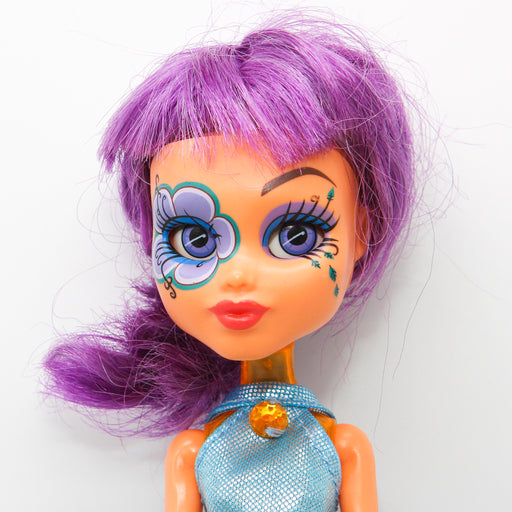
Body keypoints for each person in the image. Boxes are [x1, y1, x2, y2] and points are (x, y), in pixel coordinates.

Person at [45, 15, 417, 512]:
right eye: (194, 238)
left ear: (361, 233)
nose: (238, 275)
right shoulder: (192, 452)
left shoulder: (342, 448)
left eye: (296, 234)